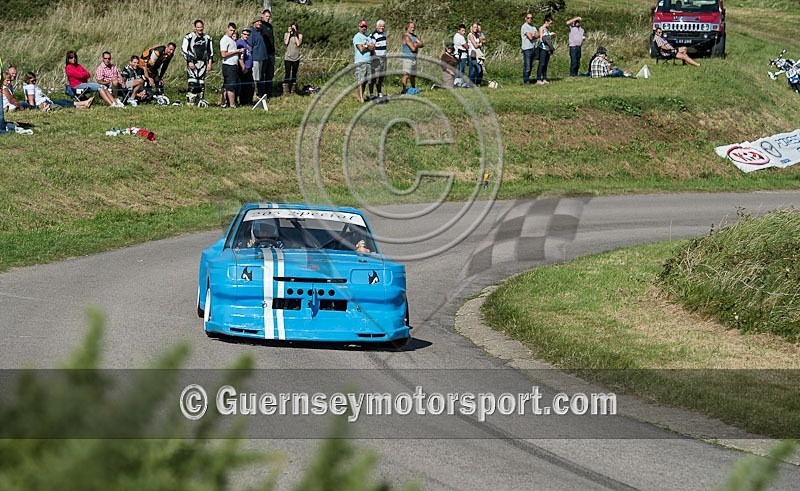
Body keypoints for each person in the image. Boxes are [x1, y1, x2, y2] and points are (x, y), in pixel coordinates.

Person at [182, 19, 214, 105]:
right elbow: (184, 50)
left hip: (203, 63)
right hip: (192, 62)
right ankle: (190, 103)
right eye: (198, 27)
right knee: (192, 84)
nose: (200, 29)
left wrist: (209, 63)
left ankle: (199, 102)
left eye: (201, 27)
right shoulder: (189, 37)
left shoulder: (207, 38)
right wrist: (189, 61)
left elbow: (210, 52)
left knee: (201, 85)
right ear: (195, 28)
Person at [23, 71, 91, 109]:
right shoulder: (30, 86)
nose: (34, 81)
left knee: (63, 101)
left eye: (35, 80)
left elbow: (26, 99)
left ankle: (84, 104)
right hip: (43, 102)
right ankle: (84, 104)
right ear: (28, 80)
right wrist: (33, 108)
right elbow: (30, 99)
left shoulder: (26, 87)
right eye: (32, 80)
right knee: (63, 103)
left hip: (45, 100)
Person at [220, 22, 244, 108]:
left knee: (227, 85)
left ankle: (224, 103)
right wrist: (236, 51)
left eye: (233, 31)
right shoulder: (224, 40)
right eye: (230, 30)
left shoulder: (231, 40)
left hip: (233, 65)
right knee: (231, 85)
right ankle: (232, 104)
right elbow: (223, 54)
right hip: (228, 65)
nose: (232, 32)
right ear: (227, 29)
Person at [353, 20, 374, 103]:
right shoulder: (357, 37)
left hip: (368, 61)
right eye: (362, 26)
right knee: (360, 80)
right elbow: (361, 49)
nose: (364, 28)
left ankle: (361, 96)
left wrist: (366, 46)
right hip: (360, 61)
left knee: (366, 81)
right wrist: (368, 46)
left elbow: (373, 47)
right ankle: (361, 98)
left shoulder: (368, 37)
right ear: (359, 27)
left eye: (365, 26)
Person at [258, 9, 276, 98]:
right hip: (263, 54)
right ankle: (261, 93)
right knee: (261, 74)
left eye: (269, 16)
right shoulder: (260, 26)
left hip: (271, 53)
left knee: (270, 74)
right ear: (263, 16)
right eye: (266, 16)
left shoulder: (270, 26)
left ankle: (269, 92)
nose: (268, 18)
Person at [401, 21, 424, 93]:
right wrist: (417, 44)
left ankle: (413, 88)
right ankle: (404, 90)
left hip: (414, 58)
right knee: (406, 74)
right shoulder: (406, 36)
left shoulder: (414, 36)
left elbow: (422, 44)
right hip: (407, 58)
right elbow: (413, 48)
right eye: (411, 27)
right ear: (407, 28)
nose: (412, 29)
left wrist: (416, 44)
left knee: (413, 75)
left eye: (413, 27)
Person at [368, 20, 387, 99]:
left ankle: (379, 92)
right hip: (376, 58)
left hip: (383, 57)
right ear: (377, 26)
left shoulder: (384, 34)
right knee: (374, 76)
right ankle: (371, 93)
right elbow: (371, 47)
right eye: (380, 26)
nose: (382, 28)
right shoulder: (373, 35)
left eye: (383, 26)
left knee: (381, 76)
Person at [249, 18, 267, 99]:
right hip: (255, 58)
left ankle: (259, 93)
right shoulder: (252, 32)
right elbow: (250, 45)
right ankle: (253, 94)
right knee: (254, 77)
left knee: (259, 77)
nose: (260, 23)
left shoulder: (259, 32)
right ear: (254, 22)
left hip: (261, 58)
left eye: (260, 22)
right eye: (258, 22)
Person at [283, 21, 302, 95]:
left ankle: (293, 90)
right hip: (288, 57)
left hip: (296, 57)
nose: (293, 29)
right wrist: (289, 34)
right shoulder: (286, 34)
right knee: (287, 73)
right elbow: (286, 42)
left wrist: (295, 35)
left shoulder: (299, 35)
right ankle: (286, 90)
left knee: (294, 73)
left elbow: (298, 44)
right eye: (292, 28)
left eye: (294, 28)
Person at [536, 14, 555, 85]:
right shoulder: (542, 28)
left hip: (548, 49)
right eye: (550, 23)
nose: (550, 25)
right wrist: (546, 37)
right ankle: (538, 79)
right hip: (543, 49)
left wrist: (550, 34)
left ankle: (544, 78)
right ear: (546, 22)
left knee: (546, 64)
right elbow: (541, 38)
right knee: (542, 63)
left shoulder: (547, 29)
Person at [521, 13, 539, 84]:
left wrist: (533, 35)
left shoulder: (533, 27)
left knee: (531, 65)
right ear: (525, 18)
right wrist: (534, 35)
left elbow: (538, 35)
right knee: (527, 66)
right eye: (528, 18)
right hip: (526, 49)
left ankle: (528, 78)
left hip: (533, 47)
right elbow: (530, 37)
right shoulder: (524, 27)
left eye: (531, 18)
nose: (530, 19)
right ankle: (526, 80)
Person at [237, 28, 254, 105]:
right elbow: (239, 56)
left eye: (248, 35)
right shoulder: (239, 43)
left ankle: (249, 100)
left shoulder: (248, 43)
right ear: (241, 34)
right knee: (244, 85)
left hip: (249, 67)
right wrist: (243, 66)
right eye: (244, 34)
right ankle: (244, 101)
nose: (246, 36)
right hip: (244, 67)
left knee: (250, 85)